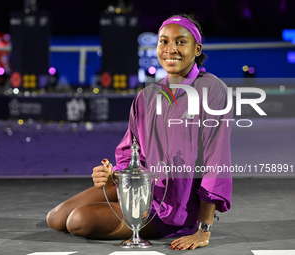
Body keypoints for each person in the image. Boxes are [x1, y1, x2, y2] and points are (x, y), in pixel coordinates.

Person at [46, 13, 233, 251]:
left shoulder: (213, 90)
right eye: (164, 41)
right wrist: (114, 175)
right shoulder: (147, 96)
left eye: (180, 42)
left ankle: (178, 224)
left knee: (79, 220)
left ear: (197, 49)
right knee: (56, 217)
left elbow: (216, 162)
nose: (170, 49)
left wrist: (203, 229)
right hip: (141, 188)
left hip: (174, 207)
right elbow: (129, 153)